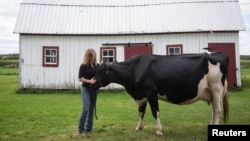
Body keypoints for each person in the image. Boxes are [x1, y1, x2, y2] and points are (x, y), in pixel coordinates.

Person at [78, 48, 99, 136]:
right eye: (91, 56)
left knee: (91, 110)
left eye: (94, 56)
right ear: (88, 56)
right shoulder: (83, 66)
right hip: (86, 89)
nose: (93, 58)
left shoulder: (97, 65)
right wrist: (89, 81)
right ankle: (81, 129)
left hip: (94, 90)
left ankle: (89, 128)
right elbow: (80, 78)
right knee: (86, 109)